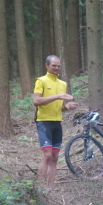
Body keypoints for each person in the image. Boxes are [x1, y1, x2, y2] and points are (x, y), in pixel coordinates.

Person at [33, 55, 78, 188]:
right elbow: (37, 101)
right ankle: (40, 188)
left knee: (54, 157)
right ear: (47, 65)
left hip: (57, 123)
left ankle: (49, 190)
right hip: (44, 122)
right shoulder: (41, 81)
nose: (56, 68)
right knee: (47, 154)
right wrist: (57, 96)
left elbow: (60, 107)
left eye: (58, 66)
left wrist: (66, 106)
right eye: (54, 65)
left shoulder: (63, 84)